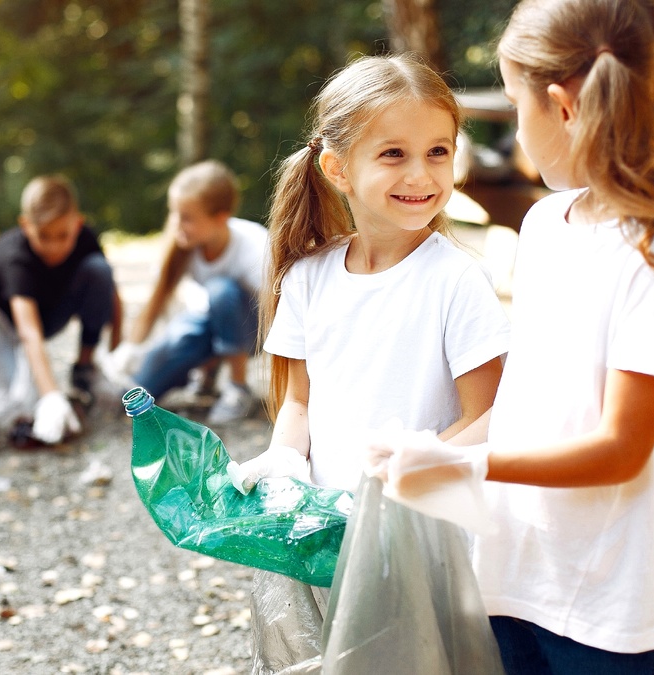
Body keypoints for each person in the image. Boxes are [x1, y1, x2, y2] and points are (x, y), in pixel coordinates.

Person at [366, 1, 654, 673]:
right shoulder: (545, 225)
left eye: (513, 104)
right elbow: (531, 403)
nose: (514, 126)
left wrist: (465, 467)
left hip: (613, 609)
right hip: (518, 574)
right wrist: (429, 451)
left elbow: (620, 449)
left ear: (562, 107)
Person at [227, 53, 511, 671]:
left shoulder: (457, 281)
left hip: (422, 537)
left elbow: (489, 415)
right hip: (328, 534)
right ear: (338, 169)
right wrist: (285, 458)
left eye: (439, 151)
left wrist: (405, 478)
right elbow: (299, 402)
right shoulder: (306, 278)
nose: (423, 173)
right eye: (393, 154)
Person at [108, 160, 268, 424]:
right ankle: (206, 373)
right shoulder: (183, 245)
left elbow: (282, 311)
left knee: (220, 291)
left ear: (220, 217)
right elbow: (157, 300)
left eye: (187, 217)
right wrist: (130, 350)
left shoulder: (254, 246)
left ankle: (238, 388)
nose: (176, 224)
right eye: (174, 213)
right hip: (213, 322)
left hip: (255, 330)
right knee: (141, 385)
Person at [0, 174, 121, 445]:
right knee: (16, 404)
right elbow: (28, 332)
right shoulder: (14, 257)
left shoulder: (85, 238)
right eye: (43, 236)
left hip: (50, 314)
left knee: (99, 271)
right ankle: (45, 396)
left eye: (63, 236)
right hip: (3, 329)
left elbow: (112, 295)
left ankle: (85, 369)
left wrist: (117, 351)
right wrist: (51, 395)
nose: (54, 247)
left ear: (77, 224)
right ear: (25, 225)